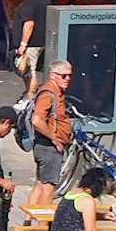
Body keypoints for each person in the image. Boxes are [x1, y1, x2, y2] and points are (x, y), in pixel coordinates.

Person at [26, 59, 73, 207]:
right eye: (63, 75)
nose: (67, 79)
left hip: (45, 146)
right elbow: (37, 120)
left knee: (40, 184)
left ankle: (28, 220)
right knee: (49, 188)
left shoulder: (56, 91)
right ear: (53, 75)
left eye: (69, 75)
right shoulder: (49, 94)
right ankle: (43, 221)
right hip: (48, 147)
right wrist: (54, 139)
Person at [13, 0, 50, 100]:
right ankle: (29, 95)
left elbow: (29, 24)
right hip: (42, 40)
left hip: (31, 43)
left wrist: (23, 44)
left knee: (29, 71)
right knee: (28, 70)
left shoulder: (29, 2)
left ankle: (30, 98)